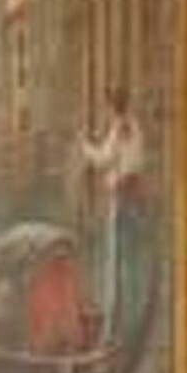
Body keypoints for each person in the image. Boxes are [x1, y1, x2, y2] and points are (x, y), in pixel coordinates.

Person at [80, 86, 146, 340]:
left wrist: (85, 145)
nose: (106, 112)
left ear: (112, 107)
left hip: (120, 198)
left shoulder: (118, 128)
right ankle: (127, 320)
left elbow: (103, 160)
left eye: (108, 107)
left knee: (115, 260)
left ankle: (113, 327)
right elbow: (136, 161)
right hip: (134, 197)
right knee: (129, 258)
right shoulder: (135, 126)